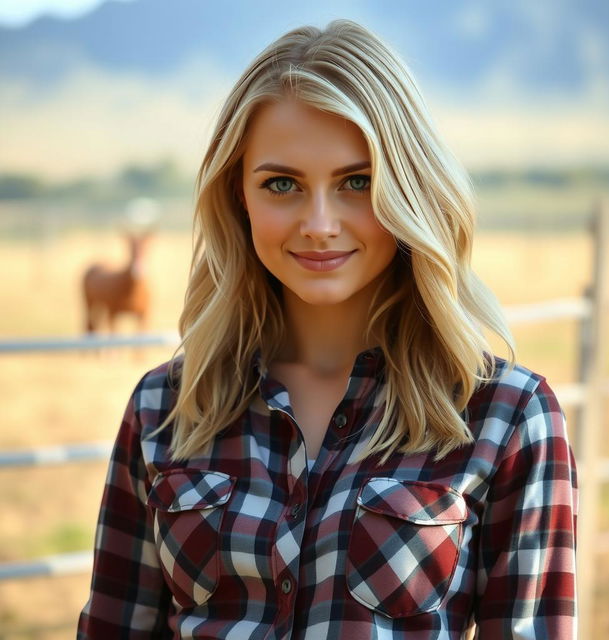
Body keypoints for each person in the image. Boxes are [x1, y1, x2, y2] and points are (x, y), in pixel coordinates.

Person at [78, 19, 578, 639]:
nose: (319, 222)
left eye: (357, 182)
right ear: (238, 196)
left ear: (411, 189)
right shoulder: (164, 408)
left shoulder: (504, 416)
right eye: (281, 184)